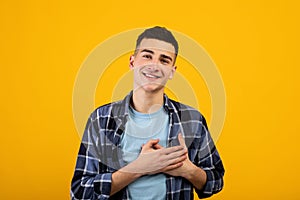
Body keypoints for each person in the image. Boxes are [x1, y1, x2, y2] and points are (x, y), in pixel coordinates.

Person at [71, 26, 224, 200]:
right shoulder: (101, 119)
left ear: (172, 72)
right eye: (147, 56)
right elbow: (80, 193)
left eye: (164, 60)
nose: (154, 65)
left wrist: (188, 170)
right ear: (132, 62)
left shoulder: (193, 120)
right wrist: (138, 168)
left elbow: (216, 180)